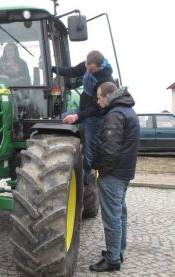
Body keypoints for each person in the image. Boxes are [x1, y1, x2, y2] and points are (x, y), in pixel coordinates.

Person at [90, 82, 140, 272]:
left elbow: (109, 150)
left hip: (113, 175)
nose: (97, 100)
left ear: (107, 96)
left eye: (98, 97)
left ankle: (112, 260)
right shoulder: (127, 110)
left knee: (112, 217)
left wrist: (101, 169)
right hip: (124, 172)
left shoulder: (115, 115)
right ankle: (117, 252)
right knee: (120, 214)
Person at [52, 50, 114, 185]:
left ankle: (86, 181)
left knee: (89, 148)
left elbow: (97, 107)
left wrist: (78, 116)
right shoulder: (88, 65)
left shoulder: (105, 80)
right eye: (87, 67)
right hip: (82, 109)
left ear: (99, 67)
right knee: (57, 121)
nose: (88, 71)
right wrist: (52, 69)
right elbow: (72, 71)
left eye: (91, 70)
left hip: (95, 116)